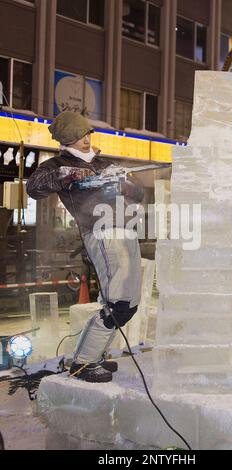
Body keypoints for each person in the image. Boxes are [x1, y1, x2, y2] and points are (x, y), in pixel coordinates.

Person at [26, 111, 144, 383]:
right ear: (66, 141)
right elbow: (34, 187)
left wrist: (127, 183)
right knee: (120, 303)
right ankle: (84, 363)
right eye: (78, 136)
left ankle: (95, 353)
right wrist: (65, 175)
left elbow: (138, 194)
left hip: (126, 232)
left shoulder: (104, 162)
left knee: (130, 302)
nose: (85, 139)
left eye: (87, 133)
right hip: (101, 233)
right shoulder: (57, 164)